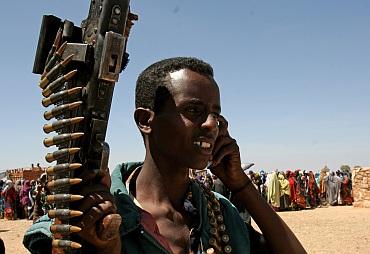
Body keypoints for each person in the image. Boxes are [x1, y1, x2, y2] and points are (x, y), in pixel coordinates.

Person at [24, 57, 305, 253]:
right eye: (194, 111)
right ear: (146, 120)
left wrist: (241, 185)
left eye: (215, 115)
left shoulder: (218, 211)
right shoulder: (93, 208)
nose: (211, 125)